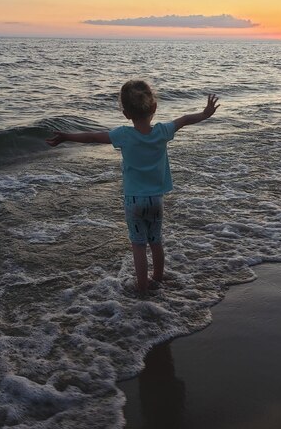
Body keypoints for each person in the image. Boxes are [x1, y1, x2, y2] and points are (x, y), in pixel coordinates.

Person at [46, 80, 220, 293]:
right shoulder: (162, 131)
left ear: (126, 114)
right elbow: (184, 119)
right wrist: (205, 114)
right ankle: (157, 279)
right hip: (156, 199)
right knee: (156, 242)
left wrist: (66, 137)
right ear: (154, 107)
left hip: (134, 201)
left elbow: (91, 136)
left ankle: (142, 287)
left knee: (138, 245)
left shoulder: (123, 135)